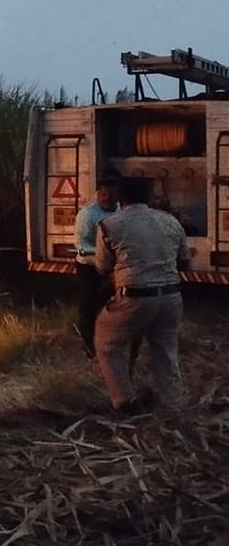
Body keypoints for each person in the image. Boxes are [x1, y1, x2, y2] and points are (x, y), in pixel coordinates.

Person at [93, 175, 189, 417]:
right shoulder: (171, 221)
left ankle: (125, 402)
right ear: (148, 197)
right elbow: (185, 263)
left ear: (120, 198)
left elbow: (103, 267)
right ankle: (173, 405)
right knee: (165, 352)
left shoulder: (110, 225)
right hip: (171, 297)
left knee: (107, 344)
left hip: (134, 298)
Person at [74, 180, 118, 358]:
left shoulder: (121, 211)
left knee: (113, 307)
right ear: (98, 194)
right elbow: (80, 246)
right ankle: (88, 345)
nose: (107, 199)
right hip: (89, 267)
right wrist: (103, 251)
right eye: (104, 194)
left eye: (111, 195)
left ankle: (109, 343)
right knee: (89, 306)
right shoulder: (87, 215)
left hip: (113, 269)